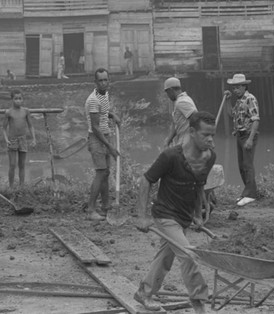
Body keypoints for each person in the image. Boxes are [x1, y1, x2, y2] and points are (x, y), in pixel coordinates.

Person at [134, 111, 217, 314]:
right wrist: (142, 216)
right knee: (188, 254)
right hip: (165, 214)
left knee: (166, 256)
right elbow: (146, 180)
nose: (210, 139)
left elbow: (199, 185)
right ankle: (199, 303)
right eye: (205, 134)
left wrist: (198, 213)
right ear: (191, 132)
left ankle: (144, 293)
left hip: (184, 217)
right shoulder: (170, 156)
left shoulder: (210, 157)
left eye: (212, 135)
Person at [84, 68, 121, 221]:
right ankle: (91, 209)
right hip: (96, 138)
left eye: (106, 80)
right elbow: (95, 127)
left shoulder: (105, 94)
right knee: (100, 172)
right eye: (100, 80)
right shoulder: (93, 100)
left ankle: (105, 206)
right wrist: (110, 146)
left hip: (105, 135)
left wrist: (113, 115)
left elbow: (103, 112)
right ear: (95, 82)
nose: (104, 83)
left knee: (106, 173)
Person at [224, 74, 260, 207]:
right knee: (241, 166)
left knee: (248, 165)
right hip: (239, 135)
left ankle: (250, 195)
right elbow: (230, 114)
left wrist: (250, 140)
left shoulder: (250, 99)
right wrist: (228, 100)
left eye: (238, 87)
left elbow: (256, 119)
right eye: (234, 88)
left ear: (244, 86)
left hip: (248, 134)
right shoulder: (239, 100)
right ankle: (248, 192)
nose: (235, 90)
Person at [2, 89, 37, 187]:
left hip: (23, 139)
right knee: (12, 165)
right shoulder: (8, 112)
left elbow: (30, 126)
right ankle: (11, 187)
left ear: (22, 99)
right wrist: (6, 139)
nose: (18, 100)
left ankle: (22, 186)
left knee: (22, 164)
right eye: (16, 98)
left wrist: (34, 138)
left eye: (20, 98)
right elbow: (4, 128)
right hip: (12, 139)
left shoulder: (26, 111)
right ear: (12, 99)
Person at [163, 77, 198, 147]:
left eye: (167, 93)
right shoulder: (182, 100)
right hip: (183, 142)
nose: (168, 96)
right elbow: (176, 124)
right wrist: (168, 140)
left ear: (171, 90)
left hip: (187, 144)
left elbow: (197, 117)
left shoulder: (181, 102)